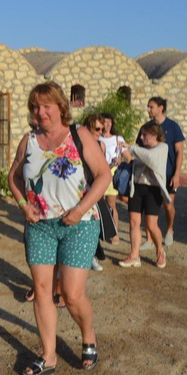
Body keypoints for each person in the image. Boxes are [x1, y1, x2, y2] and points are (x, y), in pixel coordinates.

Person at [8, 81, 111, 375]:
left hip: (79, 223)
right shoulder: (28, 140)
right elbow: (12, 176)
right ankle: (48, 356)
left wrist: (79, 210)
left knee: (72, 293)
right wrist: (22, 205)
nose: (39, 112)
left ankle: (88, 334)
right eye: (35, 107)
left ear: (60, 107)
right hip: (39, 226)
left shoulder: (79, 135)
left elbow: (104, 175)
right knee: (41, 290)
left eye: (45, 106)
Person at [119, 122, 170, 269]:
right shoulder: (141, 149)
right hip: (137, 187)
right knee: (134, 222)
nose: (141, 137)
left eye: (144, 134)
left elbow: (150, 158)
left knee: (151, 225)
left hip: (153, 190)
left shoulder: (162, 147)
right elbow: (133, 160)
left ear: (154, 135)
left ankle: (160, 251)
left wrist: (132, 148)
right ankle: (134, 255)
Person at [138, 97, 184, 248]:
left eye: (151, 107)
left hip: (168, 173)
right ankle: (149, 239)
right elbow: (140, 150)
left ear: (161, 108)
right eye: (148, 106)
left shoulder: (173, 127)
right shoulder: (145, 128)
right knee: (149, 206)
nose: (148, 109)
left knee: (168, 205)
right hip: (150, 175)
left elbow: (179, 151)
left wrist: (177, 174)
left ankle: (170, 230)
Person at [83, 113, 108, 272]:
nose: (100, 131)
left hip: (95, 188)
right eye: (97, 128)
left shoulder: (101, 145)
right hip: (83, 187)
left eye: (102, 128)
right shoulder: (80, 143)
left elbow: (101, 168)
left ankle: (92, 255)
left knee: (95, 224)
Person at [99, 113, 125, 244]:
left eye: (109, 122)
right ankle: (100, 231)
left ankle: (114, 233)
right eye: (104, 122)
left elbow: (128, 156)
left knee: (111, 204)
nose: (107, 125)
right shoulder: (96, 139)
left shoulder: (117, 139)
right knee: (97, 204)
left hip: (111, 173)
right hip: (98, 172)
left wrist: (121, 159)